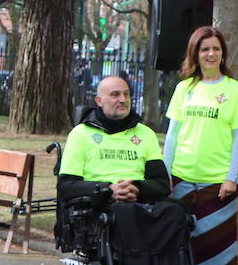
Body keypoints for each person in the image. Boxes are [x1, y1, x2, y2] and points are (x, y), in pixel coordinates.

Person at [162, 27, 238, 265]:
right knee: (180, 249)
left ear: (223, 53)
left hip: (218, 187)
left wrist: (231, 178)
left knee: (219, 254)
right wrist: (166, 174)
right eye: (204, 49)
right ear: (195, 54)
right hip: (183, 181)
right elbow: (173, 136)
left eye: (215, 48)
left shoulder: (236, 91)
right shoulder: (185, 88)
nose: (210, 54)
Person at [58, 75, 170, 205]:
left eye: (126, 94)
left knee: (177, 212)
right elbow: (67, 186)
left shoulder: (146, 134)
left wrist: (136, 188)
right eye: (115, 95)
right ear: (99, 101)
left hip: (139, 204)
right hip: (97, 207)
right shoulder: (80, 134)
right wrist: (108, 190)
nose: (123, 100)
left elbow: (162, 184)